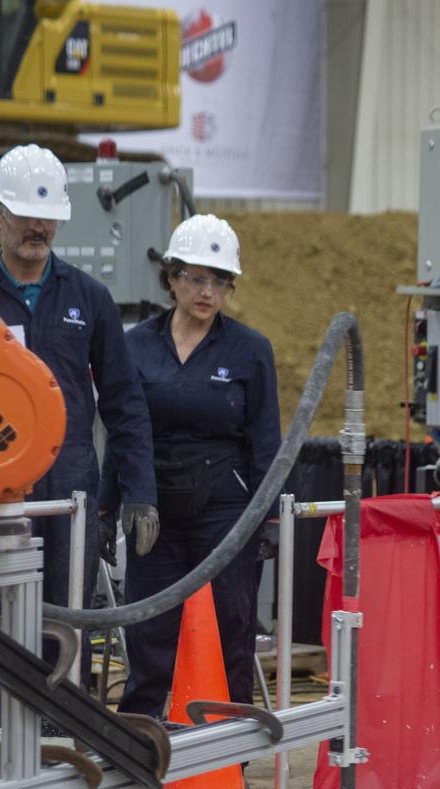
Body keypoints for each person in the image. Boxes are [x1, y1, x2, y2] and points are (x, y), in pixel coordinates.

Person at [0, 143, 159, 731]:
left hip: (72, 494)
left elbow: (124, 402)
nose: (38, 226)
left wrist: (139, 491)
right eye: (25, 214)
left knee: (66, 624)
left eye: (47, 216)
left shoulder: (88, 299)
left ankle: (64, 750)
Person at [99, 213, 281, 720]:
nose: (208, 292)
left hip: (225, 509)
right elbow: (123, 434)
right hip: (152, 505)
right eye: (197, 278)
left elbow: (267, 440)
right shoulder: (134, 347)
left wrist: (266, 519)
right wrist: (105, 507)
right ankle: (138, 750)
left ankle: (228, 757)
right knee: (148, 628)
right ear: (172, 278)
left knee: (230, 627)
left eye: (220, 281)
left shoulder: (249, 351)